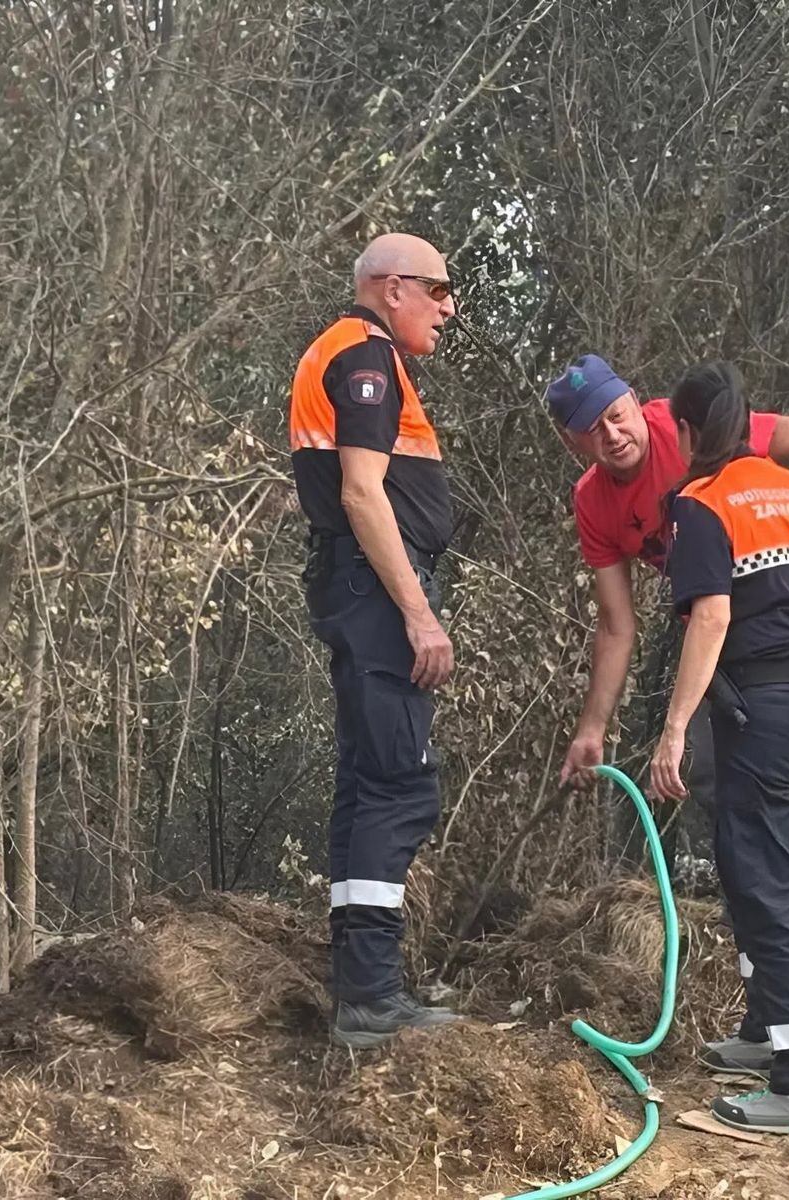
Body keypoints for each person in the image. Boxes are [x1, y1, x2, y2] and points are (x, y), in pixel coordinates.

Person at [545, 353, 789, 948]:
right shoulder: (594, 501)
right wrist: (592, 727)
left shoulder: (685, 425)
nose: (613, 435)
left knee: (778, 753)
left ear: (634, 402)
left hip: (782, 603)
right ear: (572, 441)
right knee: (714, 765)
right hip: (716, 614)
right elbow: (617, 625)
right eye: (592, 431)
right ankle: (757, 911)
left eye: (617, 416)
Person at [650, 361, 789, 1134]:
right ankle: (759, 1034)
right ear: (749, 428)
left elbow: (710, 617)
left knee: (765, 883)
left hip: (767, 710)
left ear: (684, 433)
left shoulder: (703, 505)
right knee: (756, 870)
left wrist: (674, 728)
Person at [288, 232, 461, 1046]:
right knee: (399, 785)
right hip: (375, 588)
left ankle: (364, 986)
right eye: (437, 288)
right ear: (392, 288)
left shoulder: (350, 351)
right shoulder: (364, 358)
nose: (447, 306)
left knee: (365, 782)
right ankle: (370, 1000)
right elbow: (363, 494)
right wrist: (418, 613)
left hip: (353, 585)